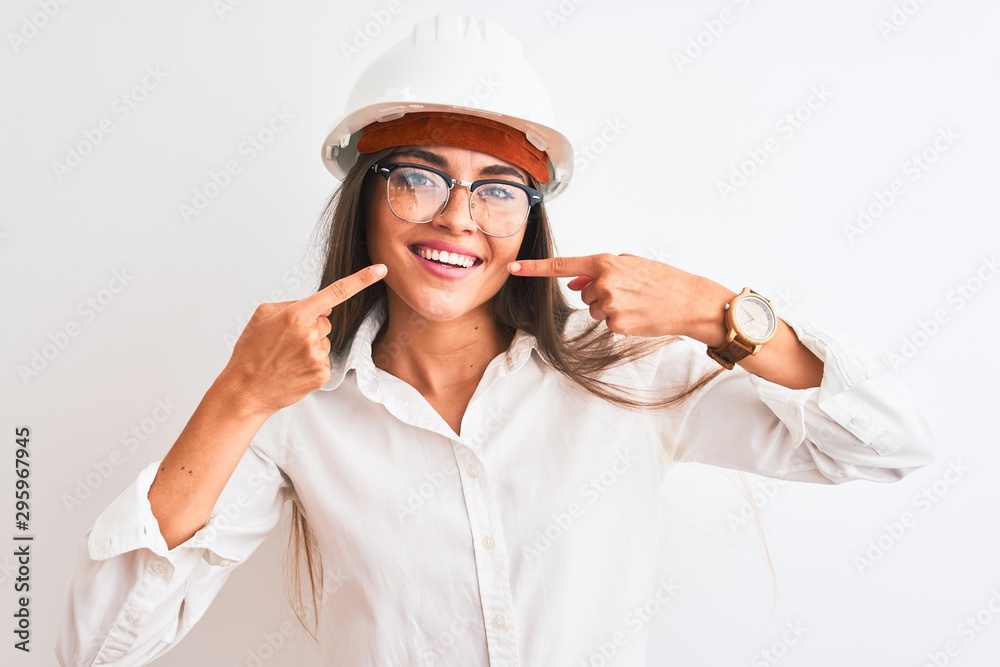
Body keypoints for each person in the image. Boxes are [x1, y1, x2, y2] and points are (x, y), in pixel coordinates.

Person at [55, 13, 933, 667]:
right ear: (365, 194)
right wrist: (237, 398)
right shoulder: (298, 409)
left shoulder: (619, 370)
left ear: (533, 216)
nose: (458, 219)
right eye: (418, 176)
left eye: (498, 188)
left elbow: (890, 445)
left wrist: (714, 311)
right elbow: (91, 647)